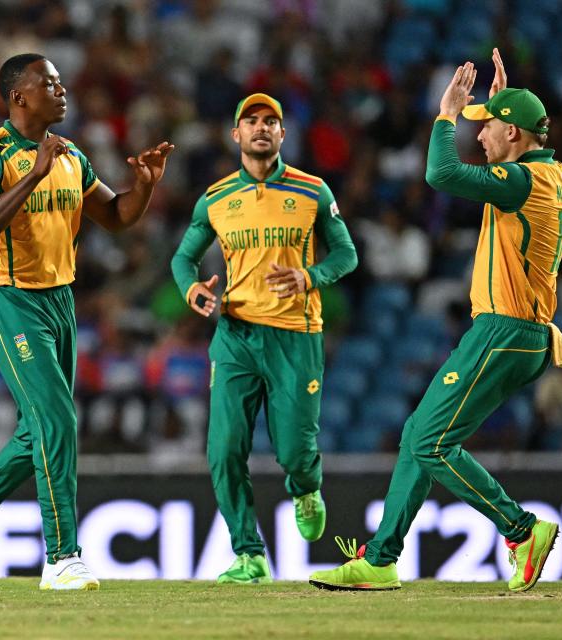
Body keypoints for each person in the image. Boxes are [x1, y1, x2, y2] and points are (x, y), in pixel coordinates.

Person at [309, 49, 562, 593]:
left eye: (489, 129)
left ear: (515, 134)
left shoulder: (522, 182)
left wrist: (446, 113)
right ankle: (381, 559)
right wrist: (503, 103)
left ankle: (521, 529)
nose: (479, 138)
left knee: (430, 443)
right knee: (417, 436)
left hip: (505, 329)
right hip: (519, 331)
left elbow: (439, 172)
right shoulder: (554, 175)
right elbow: (518, 138)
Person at [0, 53, 173, 591]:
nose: (62, 90)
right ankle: (62, 558)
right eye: (50, 83)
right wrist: (33, 175)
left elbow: (115, 217)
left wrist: (147, 187)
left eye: (62, 82)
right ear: (19, 96)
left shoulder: (68, 156)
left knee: (42, 427)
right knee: (58, 422)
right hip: (8, 298)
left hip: (59, 299)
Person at [171, 93, 357, 584]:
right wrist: (191, 289)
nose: (260, 127)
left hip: (296, 336)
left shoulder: (313, 190)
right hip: (235, 335)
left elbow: (347, 255)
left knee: (295, 450)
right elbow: (181, 259)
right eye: (251, 121)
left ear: (282, 134)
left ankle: (306, 487)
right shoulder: (215, 198)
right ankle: (249, 554)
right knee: (223, 449)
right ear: (236, 134)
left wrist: (309, 277)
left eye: (270, 121)